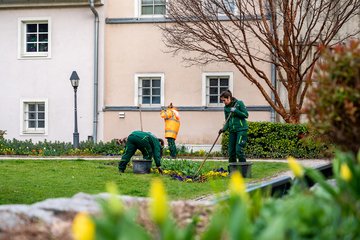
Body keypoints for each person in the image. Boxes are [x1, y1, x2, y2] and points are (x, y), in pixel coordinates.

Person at [218, 90, 249, 163]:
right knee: (231, 152)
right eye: (222, 101)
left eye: (224, 100)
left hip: (241, 130)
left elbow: (246, 115)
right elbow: (227, 121)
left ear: (229, 97)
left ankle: (244, 169)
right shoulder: (226, 108)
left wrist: (236, 111)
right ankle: (233, 171)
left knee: (238, 150)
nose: (223, 102)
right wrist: (223, 129)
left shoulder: (239, 103)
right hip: (232, 131)